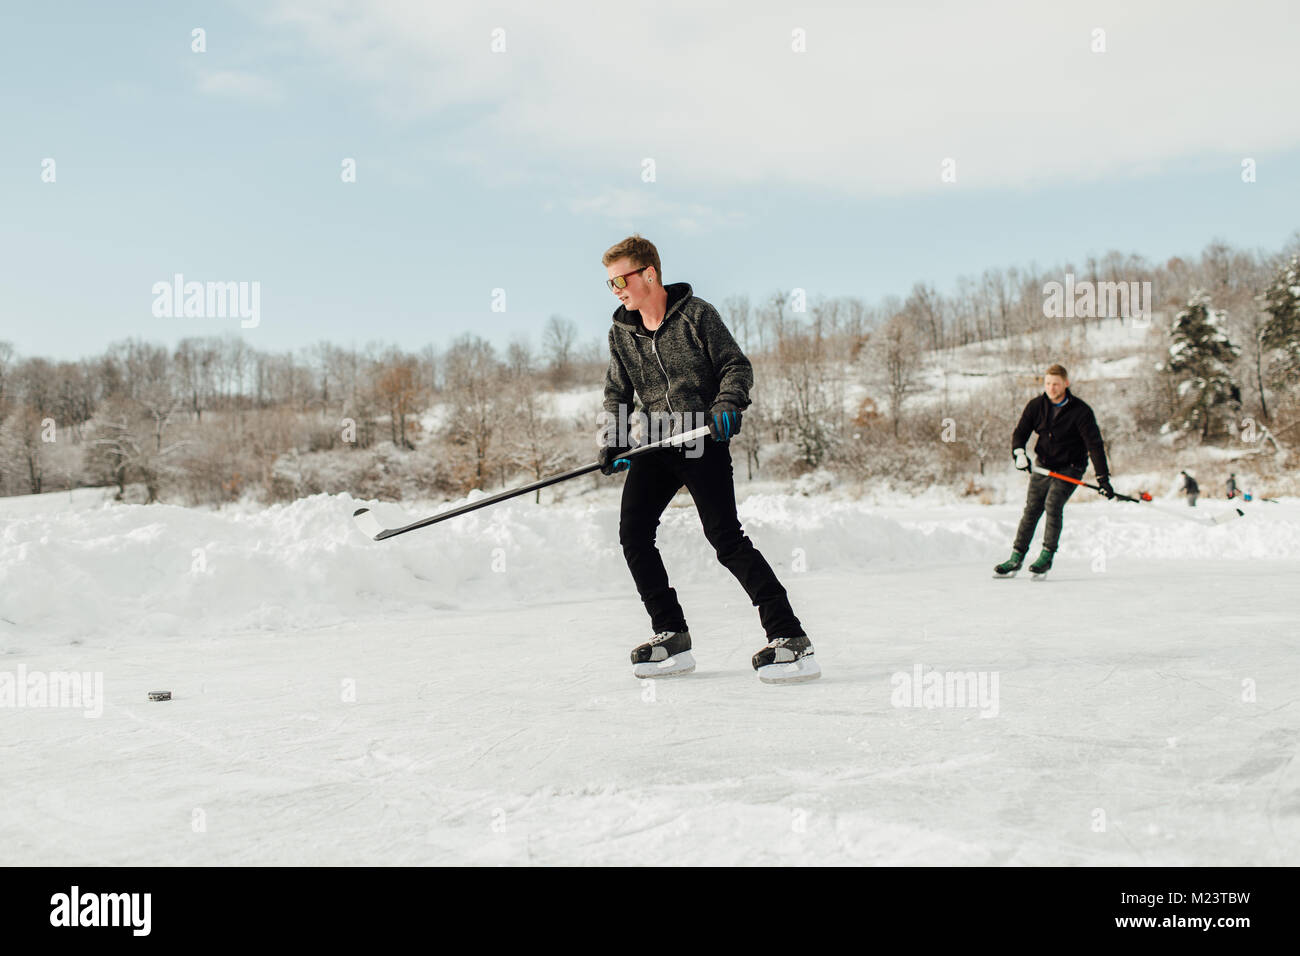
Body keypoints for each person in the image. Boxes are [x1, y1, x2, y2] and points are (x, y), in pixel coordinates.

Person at [596, 235, 818, 683]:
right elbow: (617, 392)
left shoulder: (697, 315)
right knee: (633, 534)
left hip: (701, 438)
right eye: (610, 283)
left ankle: (791, 639)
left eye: (622, 278)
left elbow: (735, 366)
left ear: (650, 274)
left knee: (725, 538)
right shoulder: (622, 332)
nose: (616, 288)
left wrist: (726, 406)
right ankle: (671, 635)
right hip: (657, 441)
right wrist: (615, 439)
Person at [994, 364, 1112, 578]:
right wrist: (1019, 454)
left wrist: (1103, 479)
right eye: (1048, 383)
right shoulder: (1036, 406)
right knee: (1031, 509)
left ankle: (1046, 556)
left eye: (1056, 384)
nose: (1051, 388)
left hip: (1071, 466)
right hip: (1043, 464)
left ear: (1066, 384)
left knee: (1053, 504)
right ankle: (1016, 557)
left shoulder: (1081, 411)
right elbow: (1020, 433)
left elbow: (1095, 446)